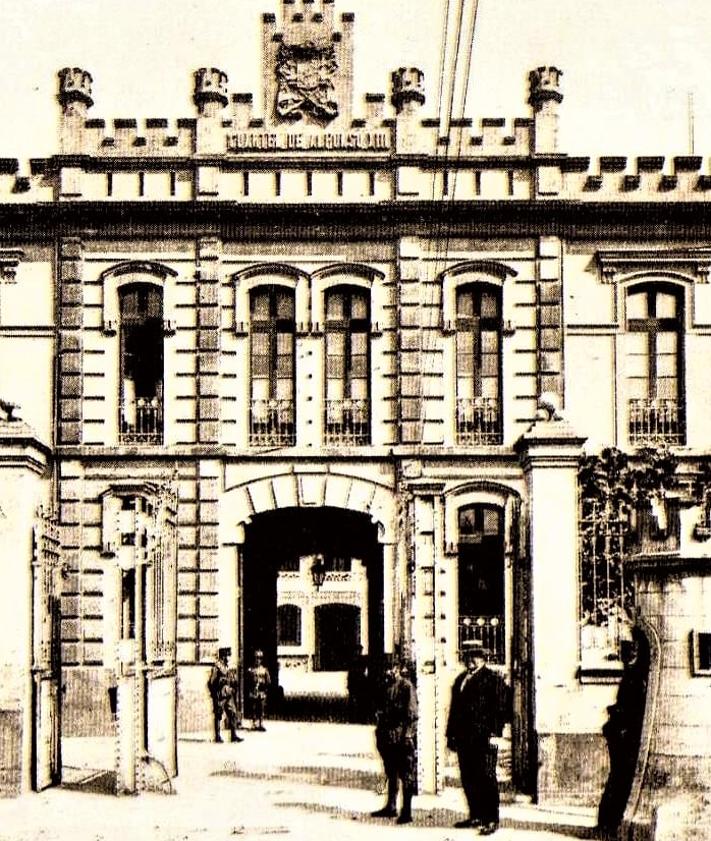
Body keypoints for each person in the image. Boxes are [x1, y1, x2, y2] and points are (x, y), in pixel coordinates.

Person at [446, 640, 511, 835]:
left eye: (474, 655)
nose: (470, 659)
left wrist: (495, 733)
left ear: (483, 658)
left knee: (486, 778)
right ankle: (475, 815)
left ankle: (491, 819)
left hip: (484, 739)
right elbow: (454, 711)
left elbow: (502, 709)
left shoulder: (493, 680)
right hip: (464, 739)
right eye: (467, 655)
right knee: (468, 778)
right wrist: (451, 736)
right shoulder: (460, 680)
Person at [371, 656, 418, 825]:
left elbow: (412, 714)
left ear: (398, 669)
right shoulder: (385, 686)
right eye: (386, 669)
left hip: (401, 737)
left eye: (391, 668)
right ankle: (391, 807)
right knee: (391, 772)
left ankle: (407, 811)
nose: (388, 672)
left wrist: (408, 736)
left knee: (407, 775)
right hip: (387, 736)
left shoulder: (406, 687)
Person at [207, 647, 243, 743]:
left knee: (233, 714)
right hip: (220, 695)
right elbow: (211, 682)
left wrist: (233, 684)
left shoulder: (227, 666)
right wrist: (215, 693)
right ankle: (217, 736)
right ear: (223, 656)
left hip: (228, 694)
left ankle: (233, 735)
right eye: (227, 655)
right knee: (218, 715)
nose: (229, 657)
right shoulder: (217, 667)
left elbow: (231, 679)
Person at [247, 649, 271, 731]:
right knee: (253, 708)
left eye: (260, 658)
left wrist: (263, 685)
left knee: (261, 708)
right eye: (256, 658)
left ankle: (261, 723)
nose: (258, 660)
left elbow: (268, 681)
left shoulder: (264, 670)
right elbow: (247, 681)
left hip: (261, 692)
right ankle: (254, 723)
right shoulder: (250, 670)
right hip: (253, 691)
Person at [347, 644, 369, 723]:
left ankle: (359, 718)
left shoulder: (362, 660)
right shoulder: (356, 660)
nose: (358, 652)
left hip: (360, 683)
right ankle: (354, 718)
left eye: (359, 651)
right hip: (355, 683)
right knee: (354, 702)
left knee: (360, 701)